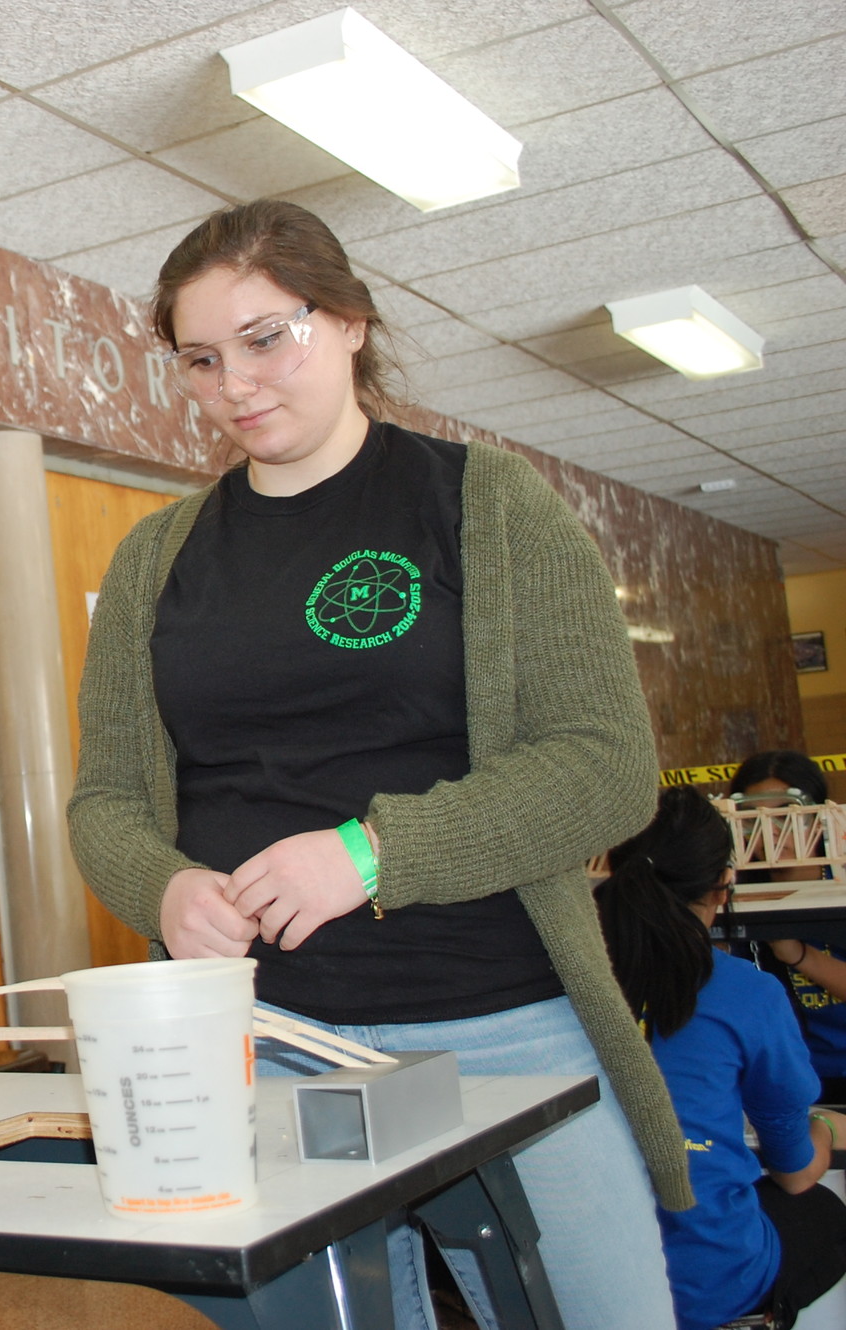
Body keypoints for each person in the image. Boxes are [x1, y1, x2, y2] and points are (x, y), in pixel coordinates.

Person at [67, 198, 689, 1330]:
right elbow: (105, 798)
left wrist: (369, 852)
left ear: (349, 320)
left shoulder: (486, 506)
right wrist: (158, 885)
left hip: (493, 1018)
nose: (234, 385)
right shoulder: (156, 559)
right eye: (199, 360)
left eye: (266, 338)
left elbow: (605, 766)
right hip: (264, 1040)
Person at [597, 786, 846, 1330]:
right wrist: (823, 1126)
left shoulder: (560, 984)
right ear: (724, 884)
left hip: (583, 1278)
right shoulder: (744, 994)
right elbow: (797, 1174)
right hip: (704, 1288)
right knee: (823, 1211)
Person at [732, 750, 846, 1102]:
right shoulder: (732, 892)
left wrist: (796, 953)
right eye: (752, 818)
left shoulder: (838, 883)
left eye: (784, 814)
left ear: (816, 815)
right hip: (790, 1080)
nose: (770, 831)